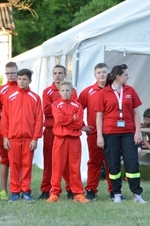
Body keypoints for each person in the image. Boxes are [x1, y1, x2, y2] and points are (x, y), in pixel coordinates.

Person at [96, 64, 146, 203]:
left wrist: (137, 132)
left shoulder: (131, 90)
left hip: (128, 132)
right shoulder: (104, 93)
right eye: (126, 75)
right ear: (118, 76)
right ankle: (116, 193)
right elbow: (99, 115)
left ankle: (137, 194)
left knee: (132, 163)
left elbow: (136, 112)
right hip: (110, 133)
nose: (128, 77)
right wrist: (99, 136)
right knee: (113, 163)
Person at [1, 68, 43, 202]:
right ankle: (14, 192)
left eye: (24, 79)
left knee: (26, 165)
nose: (21, 81)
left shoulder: (35, 98)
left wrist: (35, 138)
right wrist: (5, 137)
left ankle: (26, 191)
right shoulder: (9, 97)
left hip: (28, 139)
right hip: (13, 138)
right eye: (19, 79)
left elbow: (38, 119)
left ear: (30, 81)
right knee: (14, 165)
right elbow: (5, 119)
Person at [38, 65, 77, 200]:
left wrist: (60, 112)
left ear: (65, 74)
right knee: (50, 161)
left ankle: (71, 189)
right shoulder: (47, 91)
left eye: (60, 73)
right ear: (52, 75)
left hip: (66, 131)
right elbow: (47, 111)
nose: (58, 75)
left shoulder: (72, 90)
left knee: (67, 161)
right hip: (51, 130)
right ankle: (46, 189)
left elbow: (74, 109)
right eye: (55, 73)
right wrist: (61, 110)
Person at [47, 81, 89, 203]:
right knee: (57, 167)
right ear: (59, 92)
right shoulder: (55, 104)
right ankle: (54, 193)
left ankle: (78, 193)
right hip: (60, 140)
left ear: (72, 92)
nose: (65, 92)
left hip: (74, 140)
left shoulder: (78, 106)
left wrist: (69, 122)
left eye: (67, 90)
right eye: (63, 90)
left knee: (75, 167)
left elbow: (79, 123)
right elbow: (59, 119)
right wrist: (72, 119)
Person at [77, 63, 113, 200]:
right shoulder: (88, 91)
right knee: (94, 162)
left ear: (109, 74)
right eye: (99, 72)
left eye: (104, 72)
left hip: (112, 133)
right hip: (93, 134)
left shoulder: (114, 90)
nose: (102, 75)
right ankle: (91, 190)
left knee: (111, 162)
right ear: (95, 75)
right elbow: (77, 108)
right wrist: (82, 125)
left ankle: (114, 190)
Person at [0, 62, 18, 200]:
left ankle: (18, 189)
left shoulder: (22, 87)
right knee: (5, 160)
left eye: (13, 72)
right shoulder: (1, 90)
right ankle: (3, 190)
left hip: (19, 130)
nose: (11, 75)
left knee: (18, 160)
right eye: (8, 73)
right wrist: (4, 114)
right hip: (5, 130)